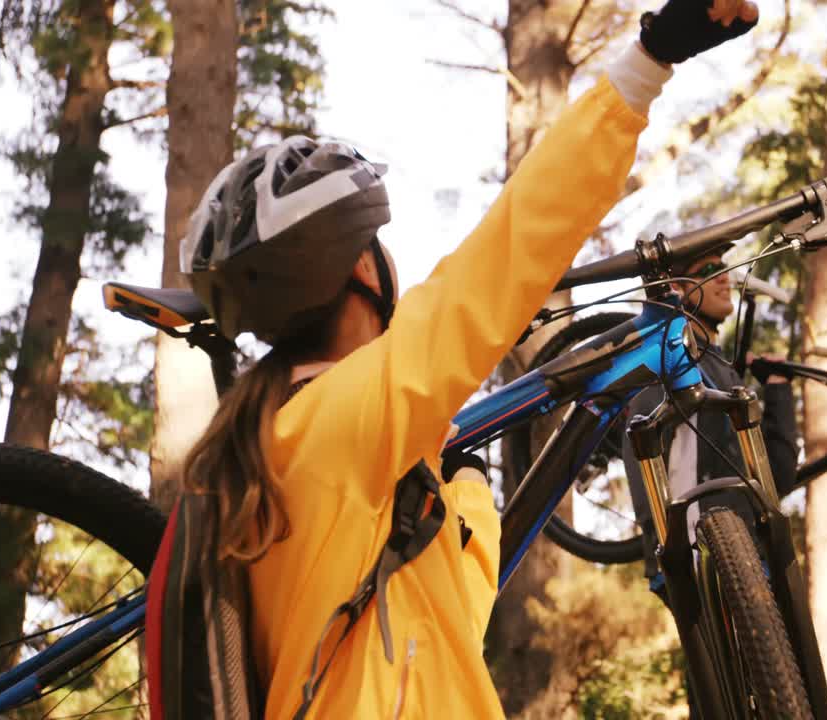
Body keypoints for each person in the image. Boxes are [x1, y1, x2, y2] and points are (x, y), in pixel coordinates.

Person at [170, 1, 761, 717]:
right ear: (359, 267)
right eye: (379, 243)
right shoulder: (343, 415)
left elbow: (450, 614)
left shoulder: (279, 450)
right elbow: (509, 250)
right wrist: (647, 64)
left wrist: (464, 485)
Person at [622, 250, 799, 574]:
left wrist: (777, 389)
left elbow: (780, 476)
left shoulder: (723, 373)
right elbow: (638, 443)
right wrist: (664, 549)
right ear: (677, 290)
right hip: (702, 557)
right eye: (708, 269)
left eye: (724, 268)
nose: (723, 277)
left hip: (751, 557)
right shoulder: (672, 363)